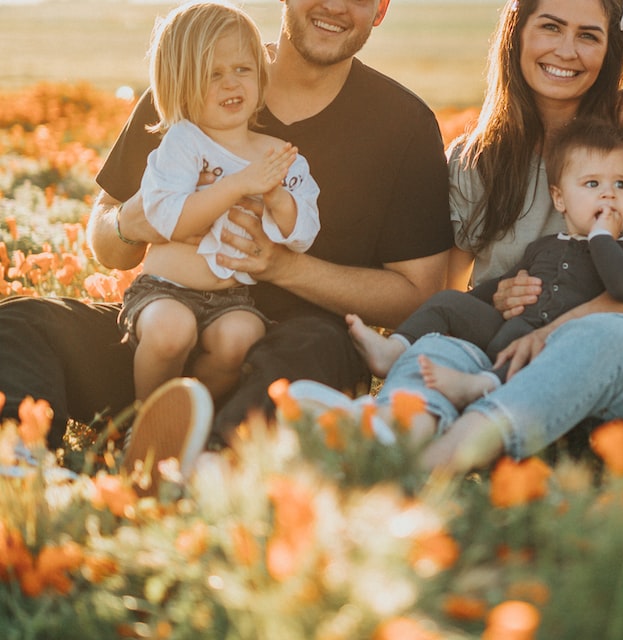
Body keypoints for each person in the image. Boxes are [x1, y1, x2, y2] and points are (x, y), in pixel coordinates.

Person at [0, 0, 452, 484]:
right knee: (20, 322)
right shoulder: (196, 71)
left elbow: (417, 296)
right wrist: (137, 221)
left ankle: (206, 465)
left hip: (286, 357)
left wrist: (282, 267)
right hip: (164, 339)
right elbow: (107, 236)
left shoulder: (403, 125)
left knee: (318, 345)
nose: (336, 5)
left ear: (381, 9)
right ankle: (22, 471)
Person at [291, 0, 623, 474]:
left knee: (606, 333)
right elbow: (445, 291)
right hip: (497, 363)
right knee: (436, 345)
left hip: (612, 373)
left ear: (610, 49)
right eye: (550, 27)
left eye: (588, 35)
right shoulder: (477, 156)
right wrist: (495, 297)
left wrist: (546, 334)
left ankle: (437, 462)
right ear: (517, 33)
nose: (567, 50)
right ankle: (392, 431)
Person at [347, 117, 623, 408]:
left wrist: (601, 237)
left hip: (555, 347)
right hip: (506, 330)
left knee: (529, 349)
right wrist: (473, 303)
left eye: (622, 185)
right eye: (593, 184)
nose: (609, 194)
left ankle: (481, 385)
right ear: (560, 199)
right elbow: (499, 286)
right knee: (448, 302)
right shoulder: (544, 247)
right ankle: (394, 349)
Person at [121, 1, 321, 405]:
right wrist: (238, 185)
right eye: (213, 74)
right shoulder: (182, 142)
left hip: (232, 299)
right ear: (180, 84)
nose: (231, 84)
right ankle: (144, 420)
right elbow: (169, 221)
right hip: (164, 290)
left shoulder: (279, 155)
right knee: (170, 331)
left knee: (241, 338)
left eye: (242, 70)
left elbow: (302, 234)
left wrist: (275, 196)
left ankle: (189, 417)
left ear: (261, 76)